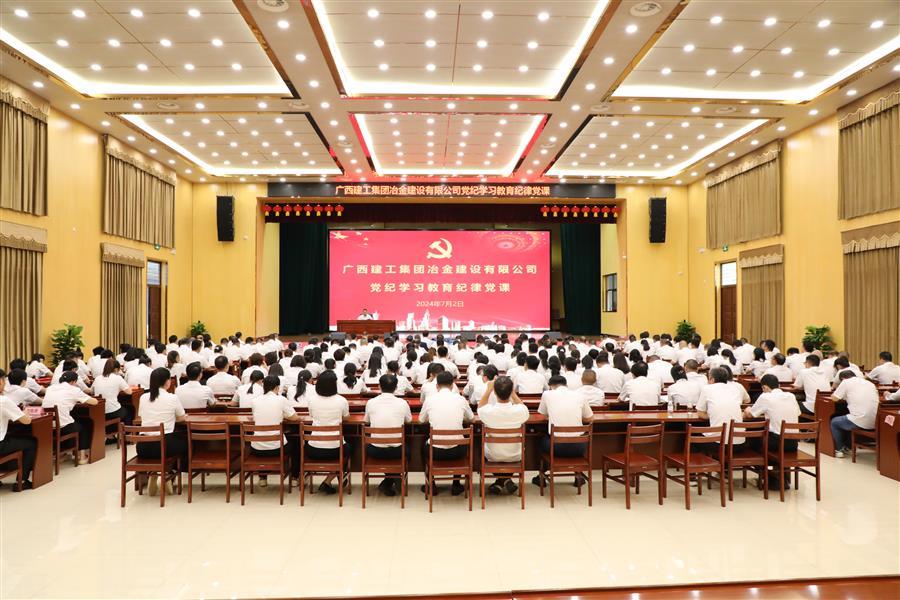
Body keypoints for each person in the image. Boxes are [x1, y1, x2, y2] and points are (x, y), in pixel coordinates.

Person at [419, 371, 474, 496]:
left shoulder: (430, 400)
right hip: (458, 451)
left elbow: (421, 420)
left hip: (435, 452)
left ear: (437, 386)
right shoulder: (461, 399)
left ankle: (431, 484)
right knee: (463, 439)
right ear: (452, 385)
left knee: (422, 445)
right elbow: (472, 419)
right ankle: (456, 484)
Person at [534, 375, 593, 487]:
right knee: (576, 437)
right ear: (566, 385)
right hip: (579, 447)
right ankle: (578, 476)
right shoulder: (579, 395)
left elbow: (542, 414)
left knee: (540, 440)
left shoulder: (547, 394)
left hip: (556, 448)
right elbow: (590, 418)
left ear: (551, 386)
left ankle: (541, 477)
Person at [136, 367, 187, 495]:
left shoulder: (143, 397)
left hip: (143, 447)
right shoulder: (172, 398)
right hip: (164, 446)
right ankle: (168, 473)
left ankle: (154, 473)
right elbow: (182, 418)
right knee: (186, 444)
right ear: (167, 381)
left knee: (174, 444)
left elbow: (141, 416)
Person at [477, 376, 529, 495]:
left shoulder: (488, 411)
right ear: (511, 391)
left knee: (480, 447)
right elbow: (523, 407)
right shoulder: (520, 411)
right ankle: (505, 480)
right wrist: (513, 394)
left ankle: (501, 481)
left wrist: (488, 389)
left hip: (493, 456)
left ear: (494, 392)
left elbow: (480, 407)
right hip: (515, 455)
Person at [363, 374, 413, 496]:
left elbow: (366, 421)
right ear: (396, 388)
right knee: (408, 448)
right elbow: (409, 420)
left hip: (375, 450)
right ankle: (394, 477)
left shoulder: (371, 402)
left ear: (379, 386)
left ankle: (389, 480)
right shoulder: (402, 403)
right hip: (397, 451)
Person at [250, 375, 301, 486]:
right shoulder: (281, 400)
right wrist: (283, 415)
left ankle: (262, 477)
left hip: (256, 448)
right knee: (297, 443)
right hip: (277, 448)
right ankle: (295, 477)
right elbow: (295, 417)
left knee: (264, 438)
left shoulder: (255, 401)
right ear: (277, 387)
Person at [305, 371, 350, 494]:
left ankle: (332, 479)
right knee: (348, 449)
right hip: (336, 449)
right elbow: (346, 417)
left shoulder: (312, 400)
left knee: (344, 448)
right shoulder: (341, 400)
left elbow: (311, 415)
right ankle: (331, 478)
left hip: (313, 449)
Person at [42, 371, 98, 465]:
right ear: (73, 381)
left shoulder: (50, 388)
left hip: (47, 425)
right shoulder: (74, 389)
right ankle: (82, 457)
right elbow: (94, 402)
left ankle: (61, 454)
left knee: (71, 421)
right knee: (85, 424)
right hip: (63, 427)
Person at [0, 370, 36, 490]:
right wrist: (25, 413)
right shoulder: (3, 400)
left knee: (10, 436)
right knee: (31, 443)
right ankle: (22, 481)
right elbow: (26, 421)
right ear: (0, 382)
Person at [830, 371, 879, 458]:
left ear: (842, 379)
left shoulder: (846, 382)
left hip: (861, 420)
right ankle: (848, 446)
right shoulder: (869, 383)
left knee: (834, 422)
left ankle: (839, 449)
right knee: (847, 418)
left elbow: (834, 398)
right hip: (876, 421)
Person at [696, 367, 749, 447]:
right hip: (739, 444)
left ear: (712, 379)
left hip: (718, 443)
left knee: (694, 439)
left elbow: (700, 413)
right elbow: (747, 400)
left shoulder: (707, 388)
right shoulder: (736, 388)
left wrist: (712, 414)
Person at [91, 359, 133, 429]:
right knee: (129, 411)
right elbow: (129, 392)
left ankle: (112, 433)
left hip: (99, 411)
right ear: (116, 369)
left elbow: (92, 392)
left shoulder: (98, 378)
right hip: (112, 411)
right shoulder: (118, 378)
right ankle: (126, 433)